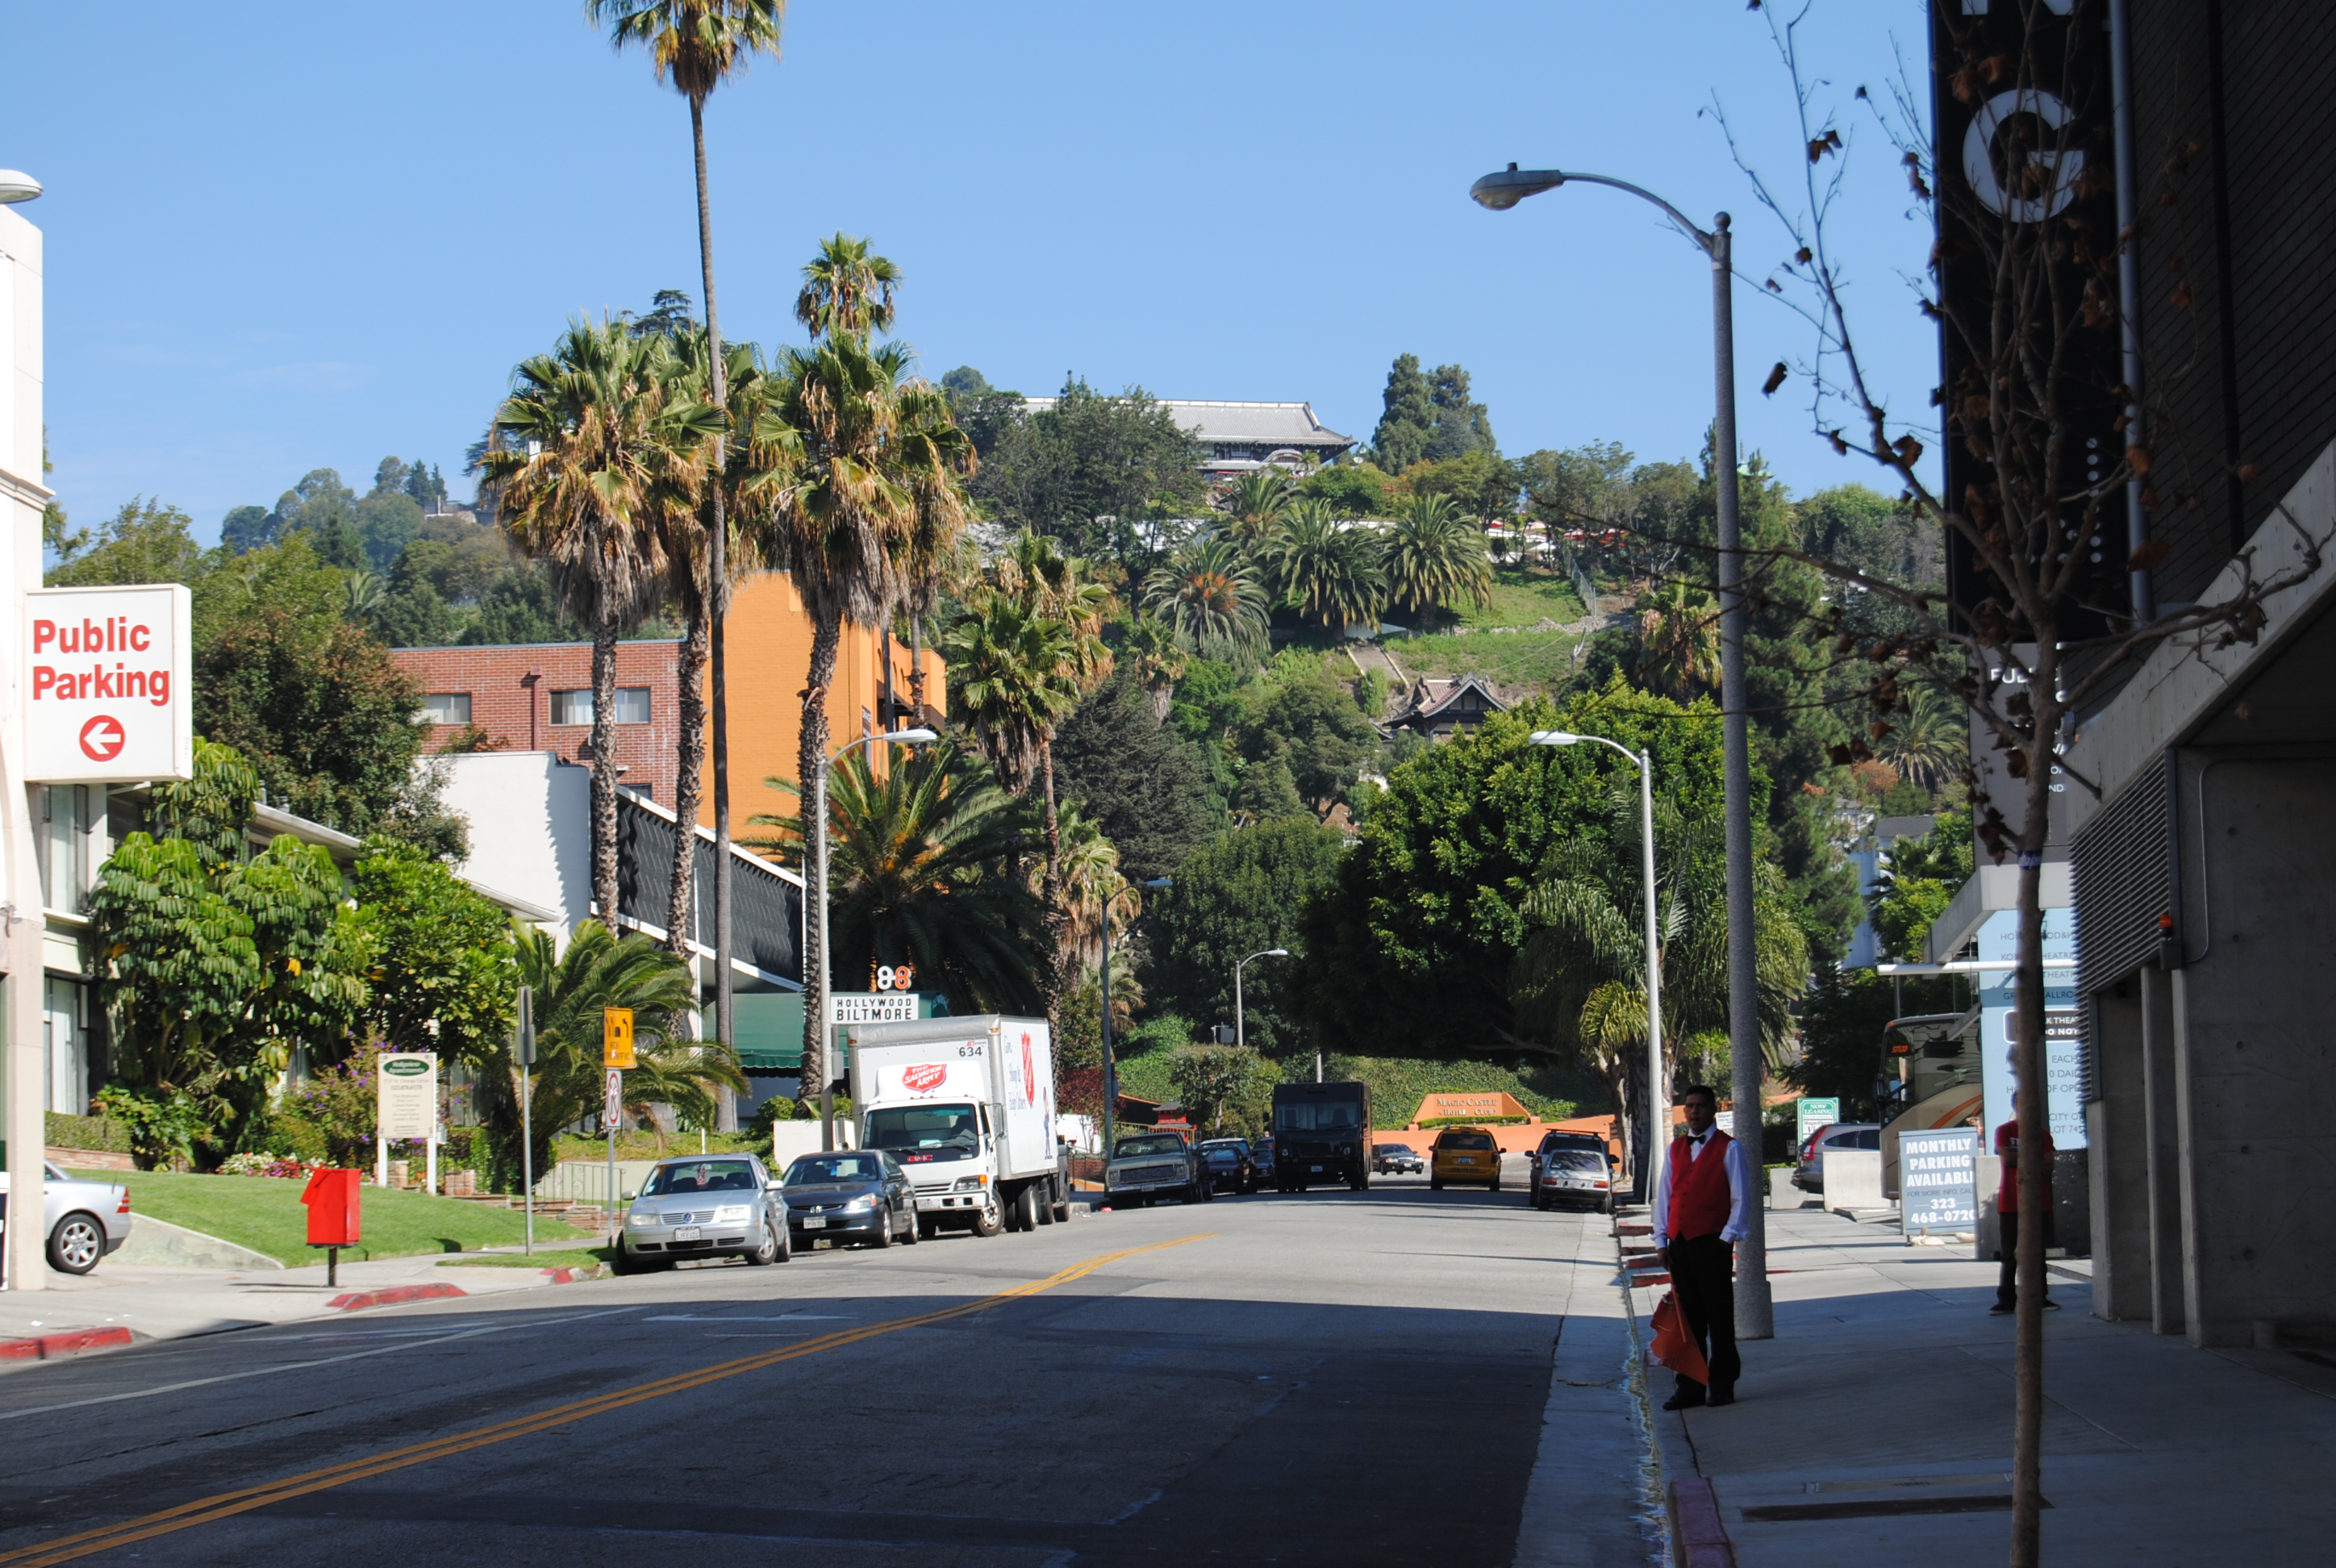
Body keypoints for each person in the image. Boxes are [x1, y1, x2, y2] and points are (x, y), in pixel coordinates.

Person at [1651, 1084, 1756, 1409]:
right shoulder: (1675, 1149)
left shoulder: (1730, 1148)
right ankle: (1690, 1389)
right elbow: (1665, 1197)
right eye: (1690, 1106)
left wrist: (1726, 1239)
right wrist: (1661, 1239)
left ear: (1713, 1110)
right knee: (1688, 1321)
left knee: (1719, 1319)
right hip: (1680, 1244)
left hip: (1712, 1243)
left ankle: (1722, 1386)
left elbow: (1741, 1198)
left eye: (1701, 1106)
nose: (1694, 1111)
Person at [1992, 1091, 2058, 1315]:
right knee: (2009, 1254)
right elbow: (2007, 1158)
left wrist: (2020, 1158)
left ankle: (2040, 1297)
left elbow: (2049, 1164)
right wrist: (2033, 1158)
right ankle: (2006, 1299)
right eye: (2021, 1103)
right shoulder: (2004, 1130)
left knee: (2037, 1253)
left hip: (2038, 1202)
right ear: (2015, 1105)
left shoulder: (2042, 1134)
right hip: (2011, 1202)